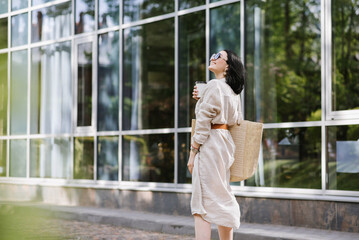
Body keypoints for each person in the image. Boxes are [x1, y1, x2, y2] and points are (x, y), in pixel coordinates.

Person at [188, 50, 245, 240]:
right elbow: (236, 119)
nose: (212, 58)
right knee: (221, 194)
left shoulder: (214, 86)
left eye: (217, 56)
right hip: (224, 142)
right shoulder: (232, 91)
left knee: (201, 203)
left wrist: (192, 152)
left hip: (211, 143)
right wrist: (202, 100)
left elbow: (203, 124)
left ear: (227, 66)